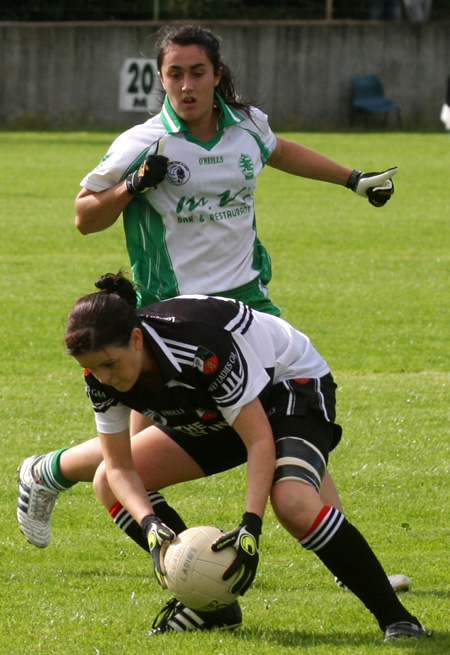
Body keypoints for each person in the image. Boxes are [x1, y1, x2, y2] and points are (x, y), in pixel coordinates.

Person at [17, 24, 401, 595]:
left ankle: (343, 560)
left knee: (291, 424)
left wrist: (352, 179)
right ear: (161, 79)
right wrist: (129, 189)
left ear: (217, 75)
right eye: (175, 74)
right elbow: (84, 216)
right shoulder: (142, 143)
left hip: (248, 301)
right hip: (174, 319)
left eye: (198, 72)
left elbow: (278, 151)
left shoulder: (247, 125)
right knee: (137, 446)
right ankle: (52, 474)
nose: (187, 84)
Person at [58, 272, 430, 639]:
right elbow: (120, 465)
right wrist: (150, 525)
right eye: (92, 367)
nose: (104, 377)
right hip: (219, 408)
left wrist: (251, 524)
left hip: (289, 385)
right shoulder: (99, 377)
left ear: (136, 339)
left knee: (293, 503)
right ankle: (211, 607)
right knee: (108, 481)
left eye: (110, 364)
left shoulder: (198, 347)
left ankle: (398, 619)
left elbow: (258, 441)